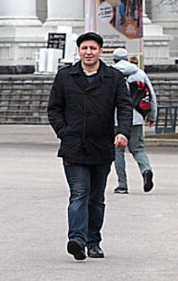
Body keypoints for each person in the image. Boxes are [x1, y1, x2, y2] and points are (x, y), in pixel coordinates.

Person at [47, 32, 131, 260]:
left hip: (102, 147)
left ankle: (94, 241)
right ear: (79, 51)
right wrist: (64, 132)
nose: (89, 52)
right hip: (73, 147)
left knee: (96, 198)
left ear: (100, 51)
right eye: (84, 48)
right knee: (79, 193)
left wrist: (123, 132)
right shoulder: (65, 76)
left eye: (93, 48)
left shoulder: (113, 78)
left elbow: (124, 107)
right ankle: (77, 239)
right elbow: (53, 109)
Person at [110, 48, 157, 194]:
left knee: (118, 152)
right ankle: (146, 170)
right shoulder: (139, 73)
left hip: (116, 119)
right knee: (138, 149)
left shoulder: (110, 75)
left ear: (114, 60)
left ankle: (122, 185)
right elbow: (151, 96)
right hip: (136, 118)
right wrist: (152, 116)